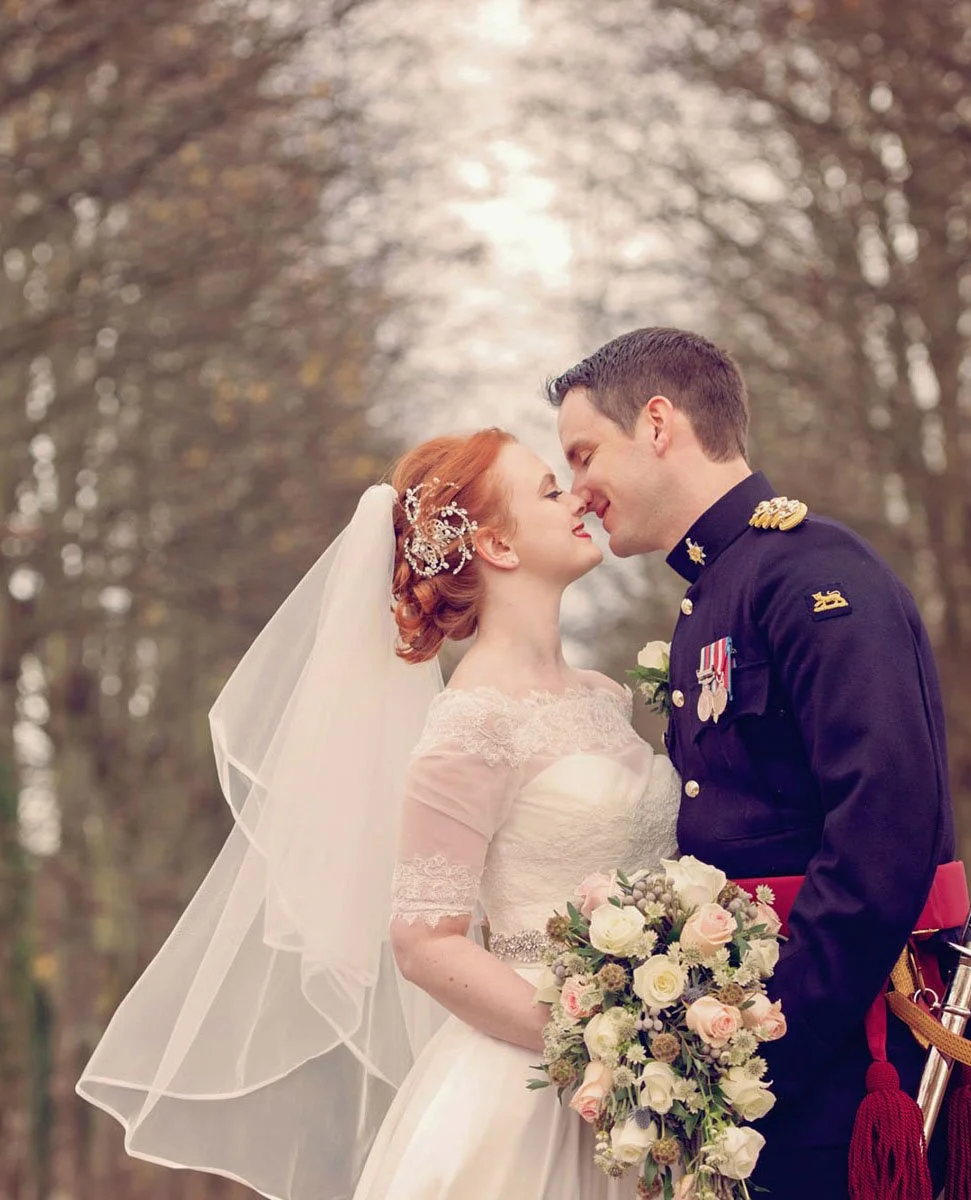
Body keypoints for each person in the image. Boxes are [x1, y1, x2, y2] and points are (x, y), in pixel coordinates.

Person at [77, 427, 681, 1200]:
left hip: (650, 1079)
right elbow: (423, 943)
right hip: (537, 1087)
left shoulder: (601, 696)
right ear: (496, 545)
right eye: (547, 491)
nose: (576, 498)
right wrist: (600, 1040)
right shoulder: (471, 724)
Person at [548, 327, 971, 1199]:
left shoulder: (814, 574)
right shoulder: (716, 593)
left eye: (584, 453)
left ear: (657, 423)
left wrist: (766, 1049)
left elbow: (879, 838)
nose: (580, 490)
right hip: (775, 1051)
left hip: (846, 1057)